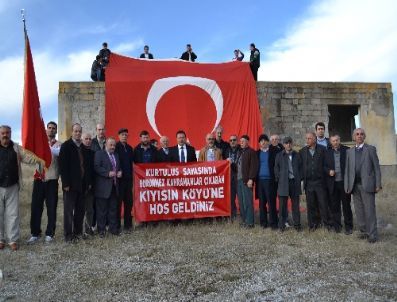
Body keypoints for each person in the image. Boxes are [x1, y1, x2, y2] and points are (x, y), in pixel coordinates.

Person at [0, 125, 37, 251]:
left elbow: (28, 157)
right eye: (3, 133)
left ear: (11, 134)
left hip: (12, 185)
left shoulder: (16, 147)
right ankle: (0, 239)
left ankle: (13, 240)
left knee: (13, 214)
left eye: (8, 133)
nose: (5, 135)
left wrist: (40, 158)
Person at [27, 121, 61, 244]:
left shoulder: (59, 145)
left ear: (56, 131)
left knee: (51, 208)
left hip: (51, 180)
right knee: (36, 207)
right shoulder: (39, 144)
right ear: (46, 130)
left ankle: (49, 233)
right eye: (49, 128)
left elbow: (60, 158)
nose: (51, 130)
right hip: (39, 179)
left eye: (53, 128)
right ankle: (35, 233)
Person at [345, 128, 381, 243]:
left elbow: (377, 168)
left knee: (370, 210)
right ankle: (364, 231)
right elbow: (347, 170)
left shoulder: (370, 149)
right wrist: (347, 185)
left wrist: (378, 184)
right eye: (357, 134)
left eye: (361, 134)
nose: (359, 136)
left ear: (364, 136)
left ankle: (373, 235)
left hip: (368, 185)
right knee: (359, 210)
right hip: (354, 186)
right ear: (354, 137)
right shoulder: (349, 152)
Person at [59, 123, 92, 242]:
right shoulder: (66, 146)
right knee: (68, 211)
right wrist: (65, 184)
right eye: (76, 131)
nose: (78, 133)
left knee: (80, 210)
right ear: (72, 132)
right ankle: (68, 236)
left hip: (82, 185)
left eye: (79, 131)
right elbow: (63, 167)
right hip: (70, 186)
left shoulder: (83, 147)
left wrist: (88, 183)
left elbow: (86, 167)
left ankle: (77, 233)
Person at [299, 132, 330, 231]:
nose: (307, 140)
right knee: (311, 205)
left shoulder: (322, 149)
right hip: (309, 183)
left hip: (320, 182)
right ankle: (313, 224)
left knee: (323, 204)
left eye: (309, 138)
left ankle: (326, 224)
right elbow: (300, 166)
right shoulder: (302, 151)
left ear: (314, 139)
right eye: (306, 138)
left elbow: (326, 164)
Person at [94, 137, 122, 238]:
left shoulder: (116, 155)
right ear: (106, 145)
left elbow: (119, 167)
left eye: (114, 145)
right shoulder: (99, 154)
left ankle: (113, 229)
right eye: (111, 145)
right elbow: (96, 167)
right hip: (103, 188)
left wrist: (120, 172)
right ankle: (101, 230)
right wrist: (107, 173)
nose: (113, 147)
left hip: (114, 187)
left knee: (113, 209)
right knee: (102, 210)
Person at [325, 134, 352, 234]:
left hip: (344, 183)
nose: (335, 143)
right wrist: (328, 171)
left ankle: (348, 226)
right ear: (330, 142)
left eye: (337, 140)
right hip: (333, 184)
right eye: (333, 141)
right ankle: (337, 226)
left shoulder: (347, 150)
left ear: (339, 140)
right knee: (334, 206)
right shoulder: (327, 152)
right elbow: (324, 166)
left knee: (346, 206)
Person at [274, 137, 302, 232]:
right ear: (284, 144)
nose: (288, 145)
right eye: (286, 143)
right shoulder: (279, 155)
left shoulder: (297, 155)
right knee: (282, 207)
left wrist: (299, 178)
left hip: (294, 183)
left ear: (292, 144)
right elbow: (276, 168)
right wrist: (279, 178)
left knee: (295, 206)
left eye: (290, 143)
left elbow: (301, 167)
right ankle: (281, 226)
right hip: (283, 183)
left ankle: (297, 225)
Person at [236, 135, 258, 228]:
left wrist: (251, 179)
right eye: (240, 141)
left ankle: (250, 222)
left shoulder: (251, 152)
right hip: (239, 180)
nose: (241, 142)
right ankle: (244, 220)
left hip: (246, 180)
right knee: (241, 202)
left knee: (248, 201)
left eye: (243, 141)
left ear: (248, 142)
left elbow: (254, 166)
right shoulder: (240, 152)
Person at [256, 134, 278, 229]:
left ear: (267, 142)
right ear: (259, 143)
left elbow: (280, 148)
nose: (263, 142)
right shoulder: (256, 153)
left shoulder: (273, 151)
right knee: (262, 203)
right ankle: (263, 223)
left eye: (265, 140)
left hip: (270, 181)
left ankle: (273, 223)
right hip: (260, 181)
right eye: (261, 141)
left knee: (271, 202)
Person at [115, 128, 134, 232]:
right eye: (122, 134)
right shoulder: (116, 147)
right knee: (118, 203)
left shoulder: (130, 148)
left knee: (129, 203)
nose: (124, 136)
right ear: (119, 136)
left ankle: (128, 225)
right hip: (119, 181)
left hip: (129, 180)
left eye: (126, 135)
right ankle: (117, 225)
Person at [81, 133, 96, 236]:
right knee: (79, 210)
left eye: (90, 139)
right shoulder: (78, 152)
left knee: (90, 210)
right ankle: (78, 230)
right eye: (86, 139)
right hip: (80, 186)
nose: (88, 140)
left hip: (90, 187)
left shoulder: (93, 153)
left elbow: (93, 171)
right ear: (82, 140)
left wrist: (91, 184)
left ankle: (88, 228)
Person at [224, 135, 240, 220]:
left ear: (237, 141)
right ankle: (232, 216)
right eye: (230, 140)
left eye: (234, 140)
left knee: (241, 197)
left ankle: (243, 216)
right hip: (229, 176)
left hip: (239, 176)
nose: (232, 142)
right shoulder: (226, 151)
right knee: (231, 198)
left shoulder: (241, 150)